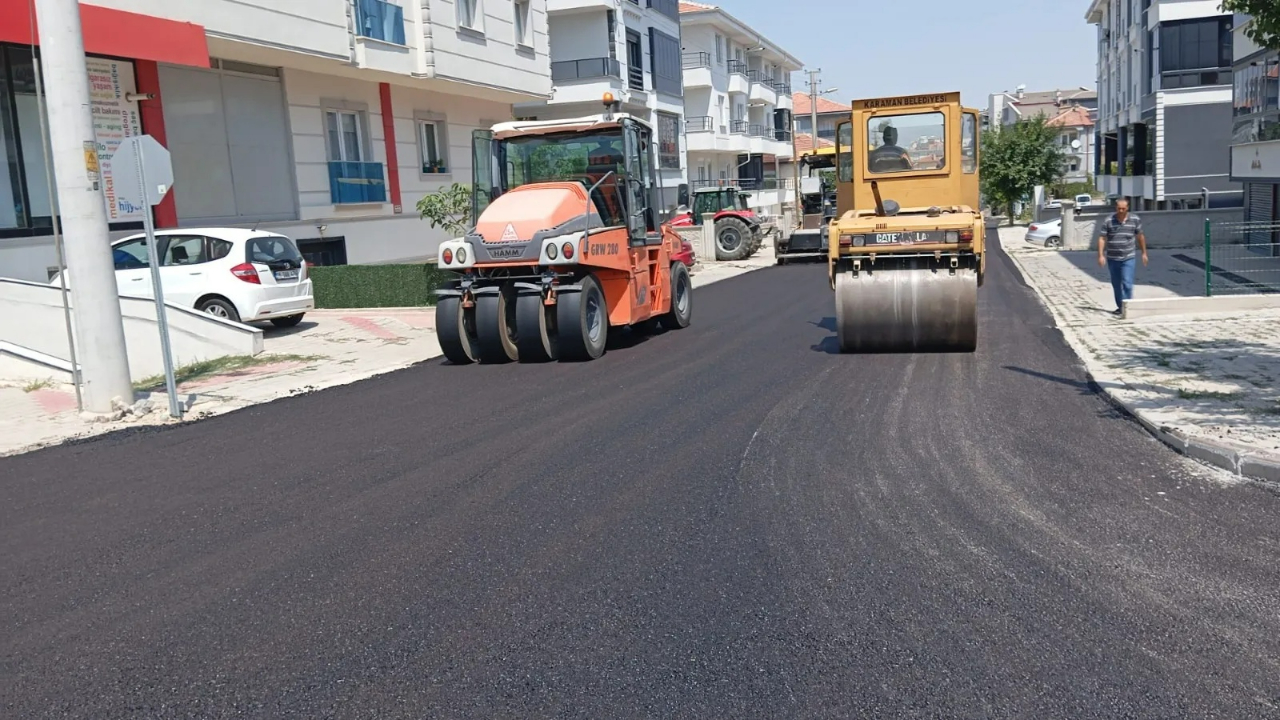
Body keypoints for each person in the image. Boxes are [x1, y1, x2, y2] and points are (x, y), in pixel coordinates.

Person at [1097, 198, 1148, 315]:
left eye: (1123, 208)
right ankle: (1120, 307)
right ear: (1116, 208)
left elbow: (1140, 236)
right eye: (1119, 208)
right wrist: (1100, 255)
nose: (1121, 211)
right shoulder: (1109, 220)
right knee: (1116, 284)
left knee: (1127, 284)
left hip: (1128, 257)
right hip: (1112, 258)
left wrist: (1144, 253)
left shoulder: (1135, 219)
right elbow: (1102, 238)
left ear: (1127, 208)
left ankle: (1127, 308)